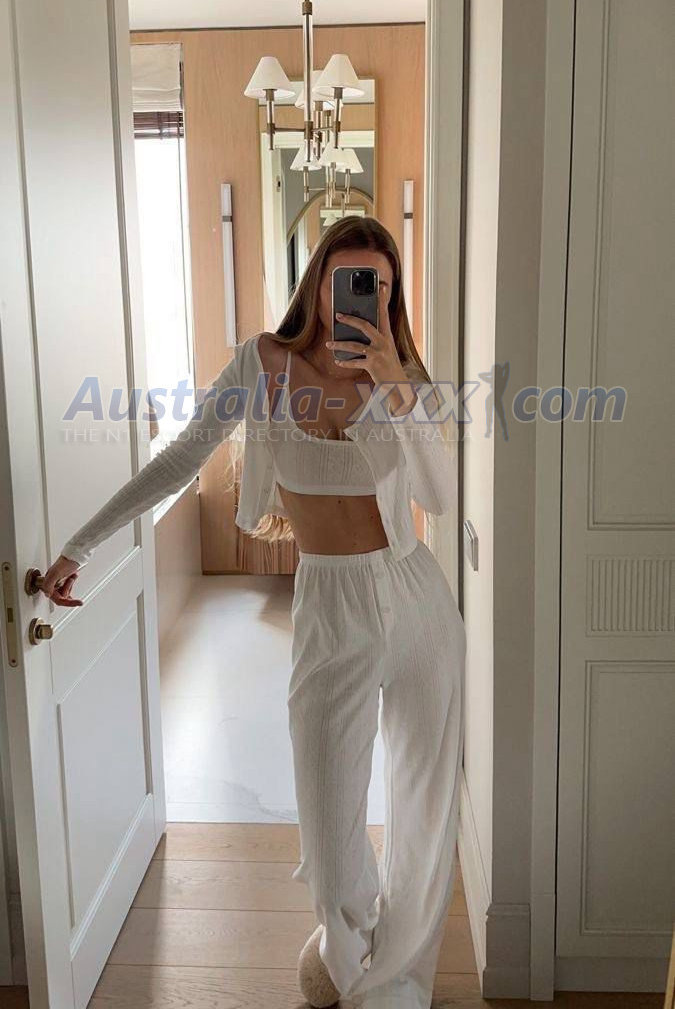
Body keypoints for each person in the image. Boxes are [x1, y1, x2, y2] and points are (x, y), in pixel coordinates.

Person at [41, 216, 466, 1009]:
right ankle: (349, 950)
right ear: (318, 283)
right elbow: (180, 457)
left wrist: (397, 391)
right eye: (346, 281)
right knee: (331, 834)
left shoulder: (404, 378)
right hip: (331, 603)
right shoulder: (262, 364)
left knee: (423, 807)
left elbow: (438, 499)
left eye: (377, 286)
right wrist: (79, 545)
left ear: (390, 296)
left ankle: (396, 982)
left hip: (416, 603)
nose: (359, 299)